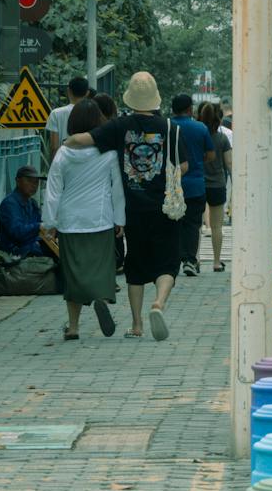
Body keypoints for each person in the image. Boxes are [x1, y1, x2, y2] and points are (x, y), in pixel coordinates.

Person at [62, 71, 186, 340]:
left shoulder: (120, 126)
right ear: (155, 99)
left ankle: (137, 325)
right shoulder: (171, 128)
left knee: (136, 266)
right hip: (165, 208)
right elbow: (183, 165)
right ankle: (159, 304)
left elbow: (85, 139)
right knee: (167, 263)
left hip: (133, 209)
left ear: (131, 99)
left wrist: (67, 142)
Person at [43, 99, 123, 340]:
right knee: (99, 268)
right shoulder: (108, 152)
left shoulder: (64, 153)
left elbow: (53, 189)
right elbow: (116, 187)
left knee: (73, 273)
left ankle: (74, 327)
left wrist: (49, 223)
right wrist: (120, 219)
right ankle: (99, 296)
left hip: (70, 220)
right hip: (100, 218)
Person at [169, 93, 213, 277]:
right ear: (190, 109)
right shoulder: (200, 127)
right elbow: (210, 155)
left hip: (172, 185)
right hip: (195, 184)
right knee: (193, 224)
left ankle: (174, 260)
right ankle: (189, 260)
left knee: (174, 224)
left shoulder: (167, 126)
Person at [197, 102, 233, 271]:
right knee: (217, 226)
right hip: (218, 185)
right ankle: (216, 262)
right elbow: (230, 164)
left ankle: (194, 259)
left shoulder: (197, 136)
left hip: (198, 185)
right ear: (219, 119)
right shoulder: (222, 138)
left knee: (196, 225)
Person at [0, 165, 49, 258]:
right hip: (12, 254)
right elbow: (17, 232)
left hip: (27, 248)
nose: (34, 185)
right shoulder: (10, 203)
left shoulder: (32, 203)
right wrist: (39, 226)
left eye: (36, 182)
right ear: (18, 181)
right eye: (29, 181)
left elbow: (41, 225)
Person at [46, 76, 91, 156]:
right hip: (86, 162)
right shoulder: (93, 112)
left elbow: (54, 146)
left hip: (64, 161)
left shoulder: (56, 113)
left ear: (68, 91)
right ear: (87, 93)